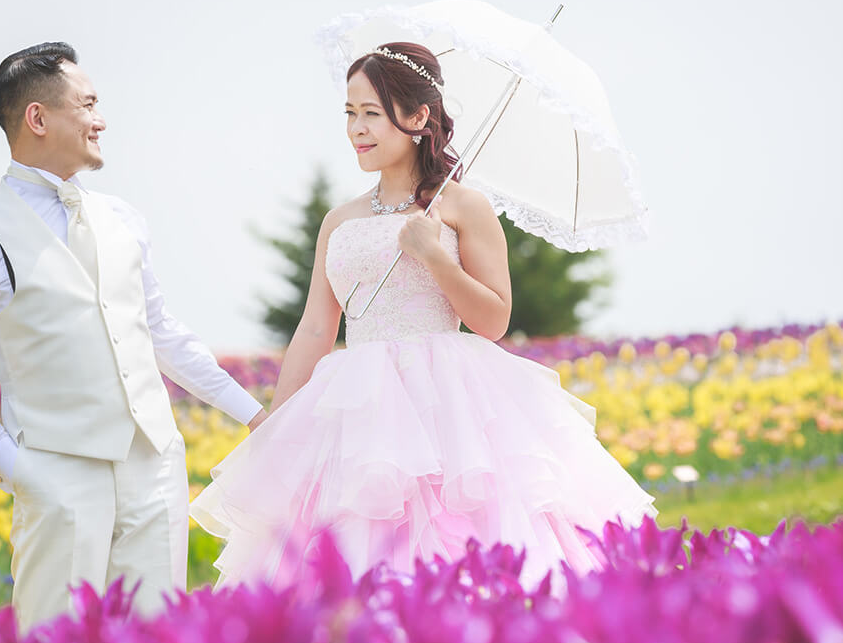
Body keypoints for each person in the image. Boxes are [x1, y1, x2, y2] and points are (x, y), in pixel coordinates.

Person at [190, 42, 654, 588]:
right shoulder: (339, 220)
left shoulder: (463, 207)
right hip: (358, 408)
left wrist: (436, 257)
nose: (357, 129)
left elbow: (494, 319)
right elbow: (317, 326)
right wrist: (278, 423)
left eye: (371, 113)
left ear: (416, 117)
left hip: (452, 407)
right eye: (349, 113)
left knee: (456, 545)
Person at [0, 42, 267, 631]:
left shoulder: (124, 218)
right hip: (55, 470)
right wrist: (13, 466)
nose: (101, 119)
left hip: (154, 466)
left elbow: (161, 333)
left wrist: (257, 415)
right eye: (88, 104)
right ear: (37, 118)